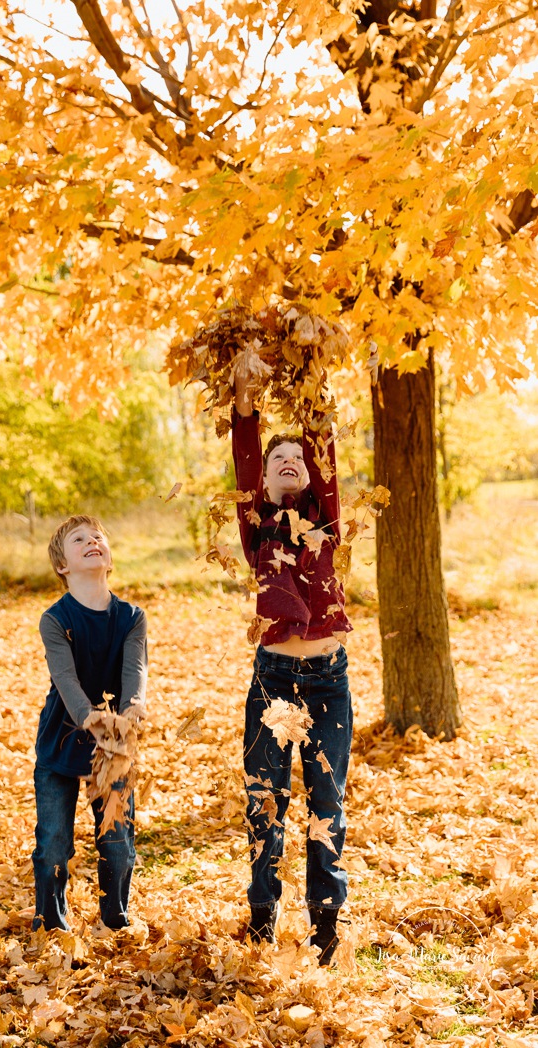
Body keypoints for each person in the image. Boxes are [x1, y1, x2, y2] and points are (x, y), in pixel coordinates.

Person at [231, 370, 353, 965]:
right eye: (276, 458)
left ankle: (325, 925)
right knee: (266, 801)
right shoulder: (256, 524)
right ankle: (262, 916)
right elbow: (244, 461)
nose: (286, 461)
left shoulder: (325, 518)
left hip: (328, 680)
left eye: (296, 457)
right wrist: (245, 403)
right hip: (273, 680)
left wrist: (310, 383)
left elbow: (323, 453)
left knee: (326, 804)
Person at [32, 514, 147, 933]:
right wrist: (91, 719)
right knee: (53, 845)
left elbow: (135, 671)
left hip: (114, 743)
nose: (92, 541)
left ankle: (115, 920)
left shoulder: (131, 617)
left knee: (117, 842)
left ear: (109, 558)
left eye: (98, 536)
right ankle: (50, 924)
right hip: (62, 741)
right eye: (78, 539)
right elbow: (65, 679)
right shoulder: (55, 619)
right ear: (62, 565)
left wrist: (132, 710)